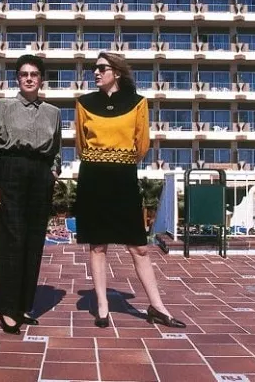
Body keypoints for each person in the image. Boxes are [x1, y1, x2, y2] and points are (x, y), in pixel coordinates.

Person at [74, 52, 186, 329]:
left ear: (118, 72)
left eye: (102, 68)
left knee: (139, 247)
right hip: (93, 178)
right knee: (97, 245)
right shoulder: (83, 103)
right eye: (94, 69)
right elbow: (80, 144)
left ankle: (157, 307)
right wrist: (102, 161)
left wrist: (119, 162)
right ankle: (102, 306)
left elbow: (142, 144)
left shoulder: (138, 103)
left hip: (124, 178)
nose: (96, 73)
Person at [0, 54, 62, 335]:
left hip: (40, 175)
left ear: (42, 79)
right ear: (17, 79)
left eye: (34, 74)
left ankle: (23, 306)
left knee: (33, 241)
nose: (29, 78)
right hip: (10, 170)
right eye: (23, 74)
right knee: (11, 240)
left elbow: (57, 147)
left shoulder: (53, 112)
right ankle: (8, 309)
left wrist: (53, 171)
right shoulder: (3, 107)